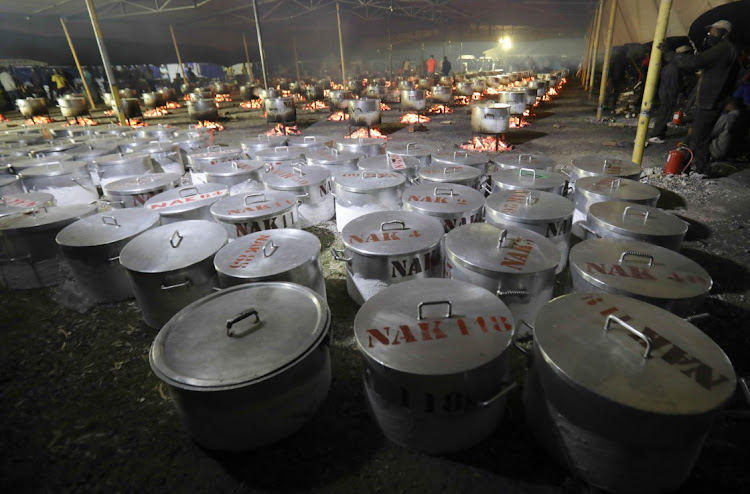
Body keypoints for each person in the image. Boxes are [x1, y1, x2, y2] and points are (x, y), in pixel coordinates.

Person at [670, 20, 740, 176]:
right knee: (698, 135)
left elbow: (697, 61)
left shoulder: (723, 48)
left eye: (714, 32)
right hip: (715, 99)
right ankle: (688, 166)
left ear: (724, 34)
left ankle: (702, 170)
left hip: (711, 100)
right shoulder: (729, 49)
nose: (710, 34)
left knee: (700, 137)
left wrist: (672, 56)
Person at [648, 45, 692, 143]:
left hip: (665, 92)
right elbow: (675, 84)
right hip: (668, 93)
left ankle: (660, 133)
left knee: (664, 112)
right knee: (664, 113)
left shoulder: (669, 66)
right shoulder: (675, 67)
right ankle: (656, 134)